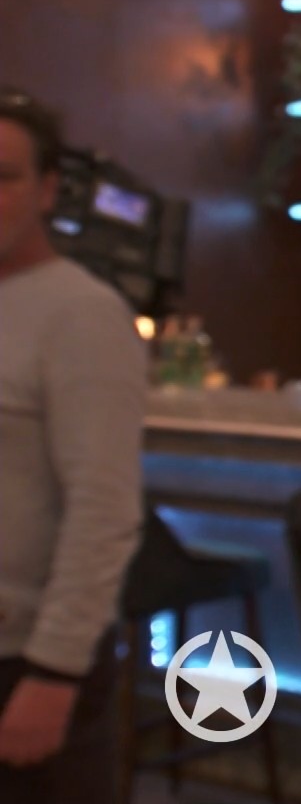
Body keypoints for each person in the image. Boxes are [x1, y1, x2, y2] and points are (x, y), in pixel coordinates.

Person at [0, 91, 146, 802]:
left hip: (24, 664)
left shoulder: (81, 313)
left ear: (47, 188)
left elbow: (103, 512)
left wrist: (54, 673)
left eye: (4, 177)